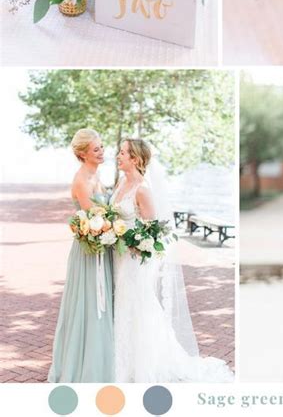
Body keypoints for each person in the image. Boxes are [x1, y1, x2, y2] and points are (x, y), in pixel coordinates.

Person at [111, 138, 233, 382]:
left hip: (134, 259)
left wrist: (132, 241)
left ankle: (139, 364)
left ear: (135, 158)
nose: (118, 156)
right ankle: (121, 358)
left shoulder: (143, 190)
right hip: (118, 255)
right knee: (123, 304)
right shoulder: (121, 183)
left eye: (123, 152)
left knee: (135, 305)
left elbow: (153, 230)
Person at [49, 130, 114, 382]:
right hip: (90, 253)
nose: (101, 152)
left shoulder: (96, 176)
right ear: (82, 153)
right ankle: (88, 367)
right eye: (96, 149)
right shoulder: (81, 181)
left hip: (103, 247)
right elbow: (99, 219)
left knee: (103, 303)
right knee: (89, 306)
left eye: (102, 147)